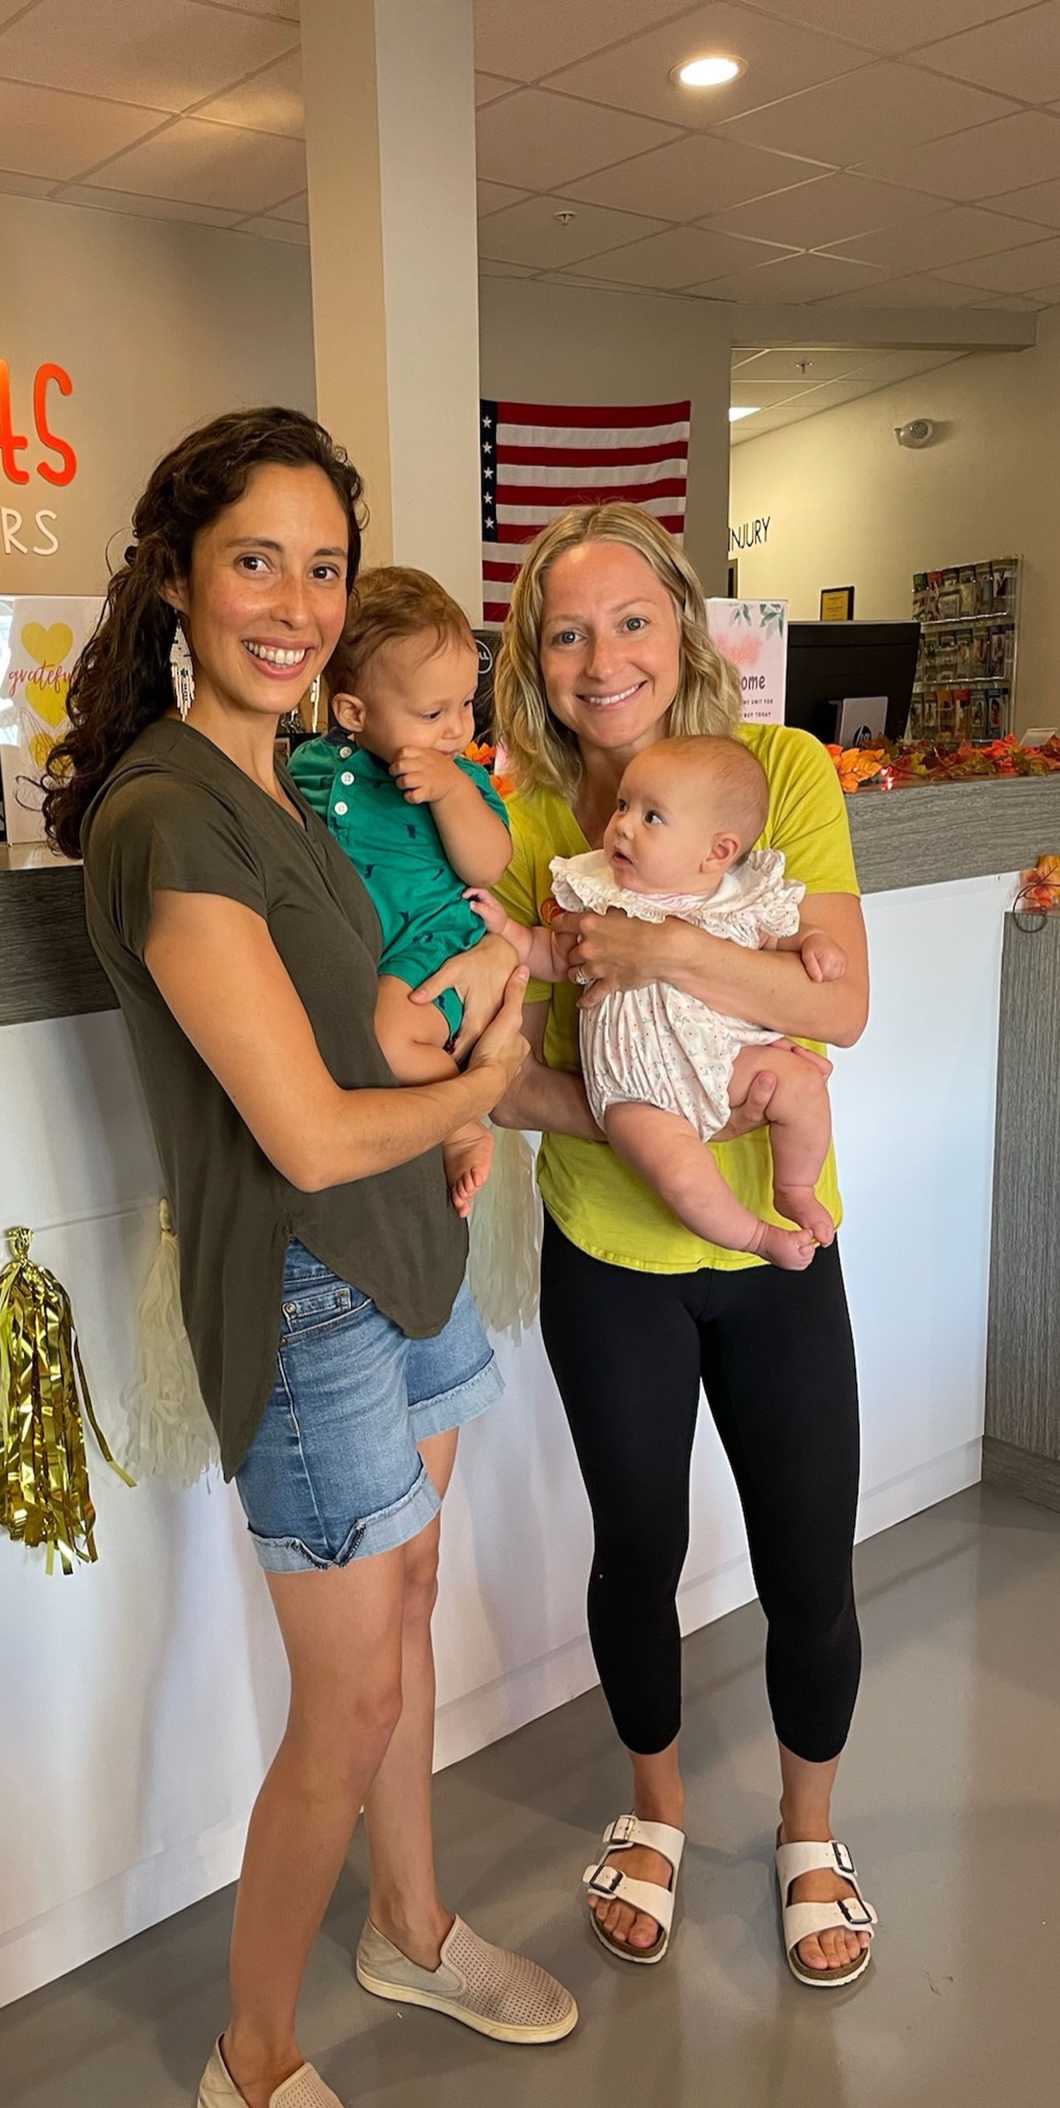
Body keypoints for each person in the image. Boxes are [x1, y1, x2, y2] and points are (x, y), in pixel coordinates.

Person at [44, 408, 574, 2108]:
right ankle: (250, 2059)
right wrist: (490, 1083)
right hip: (310, 1292)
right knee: (343, 1696)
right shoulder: (167, 812)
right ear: (179, 579)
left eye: (324, 562)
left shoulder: (301, 779)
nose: (294, 599)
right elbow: (302, 1125)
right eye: (254, 557)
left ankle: (410, 1928)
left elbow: (375, 1021)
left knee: (412, 1616)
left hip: (411, 1253)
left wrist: (451, 1067)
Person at [424, 500, 879, 1988]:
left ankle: (810, 1832)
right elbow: (508, 1067)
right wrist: (627, 1118)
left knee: (809, 1559)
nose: (600, 656)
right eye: (566, 632)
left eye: (628, 620)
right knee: (642, 1551)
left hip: (777, 1262)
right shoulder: (527, 825)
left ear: (682, 626)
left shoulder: (785, 774)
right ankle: (658, 1807)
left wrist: (669, 949)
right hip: (610, 1258)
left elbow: (838, 1008)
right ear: (533, 661)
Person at [471, 732, 849, 1270]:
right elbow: (552, 955)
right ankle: (755, 1236)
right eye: (624, 805)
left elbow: (778, 936)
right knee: (678, 1170)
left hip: (724, 1058)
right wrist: (509, 930)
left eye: (652, 817)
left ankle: (794, 1187)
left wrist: (814, 943)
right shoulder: (600, 896)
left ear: (717, 852)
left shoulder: (734, 897)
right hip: (635, 1084)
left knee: (804, 1086)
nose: (622, 823)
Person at [292, 566, 513, 1216]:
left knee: (388, 1038)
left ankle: (461, 1122)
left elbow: (488, 865)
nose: (456, 727)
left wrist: (449, 793)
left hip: (431, 944)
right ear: (354, 712)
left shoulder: (465, 780)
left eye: (465, 705)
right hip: (359, 952)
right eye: (432, 711)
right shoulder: (309, 766)